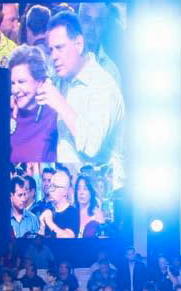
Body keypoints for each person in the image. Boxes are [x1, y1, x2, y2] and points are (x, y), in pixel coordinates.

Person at [40, 11, 125, 187]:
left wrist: (60, 104)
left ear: (78, 44)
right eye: (51, 50)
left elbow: (92, 146)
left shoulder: (102, 86)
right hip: (73, 186)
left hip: (104, 193)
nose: (54, 56)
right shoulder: (61, 80)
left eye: (60, 48)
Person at [8, 45, 58, 164]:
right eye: (12, 83)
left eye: (21, 82)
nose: (15, 90)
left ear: (40, 82)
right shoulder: (5, 112)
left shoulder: (53, 116)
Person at [37, 168, 79, 238]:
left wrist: (49, 222)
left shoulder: (73, 212)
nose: (50, 190)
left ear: (65, 191)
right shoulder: (48, 211)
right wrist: (42, 228)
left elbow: (68, 237)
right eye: (50, 186)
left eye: (54, 187)